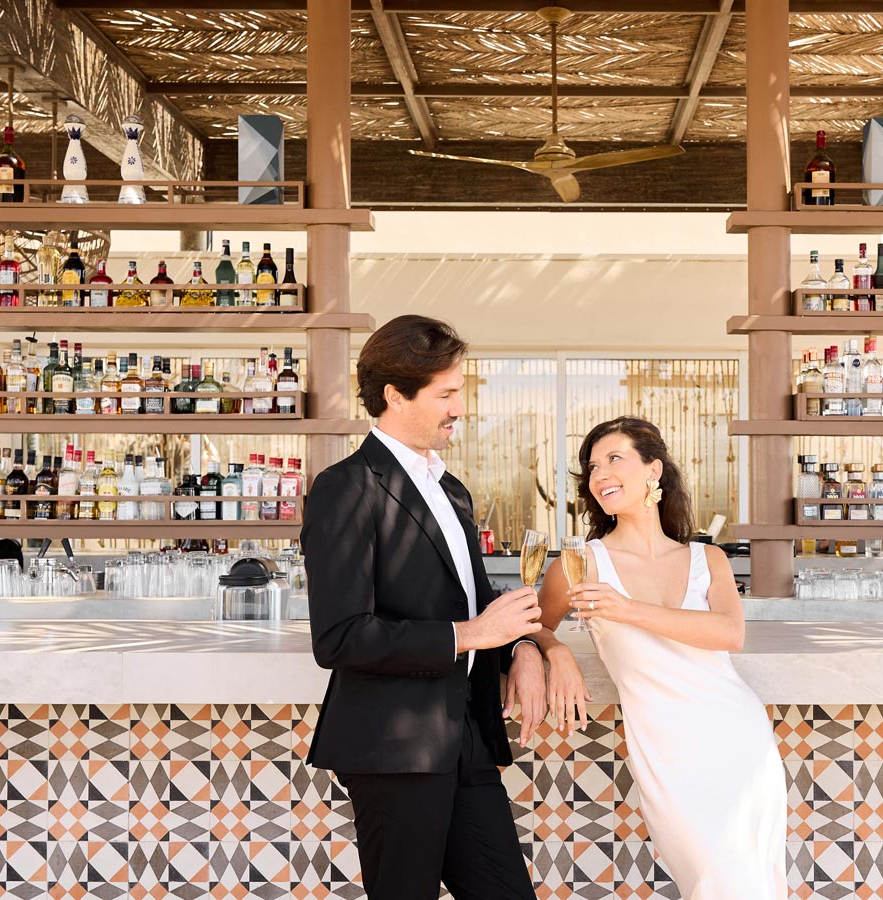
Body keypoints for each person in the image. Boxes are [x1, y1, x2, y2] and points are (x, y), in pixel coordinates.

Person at [301, 314, 547, 900]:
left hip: (464, 737)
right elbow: (340, 637)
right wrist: (470, 636)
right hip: (395, 746)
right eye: (445, 394)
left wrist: (527, 646)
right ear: (394, 394)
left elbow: (479, 600)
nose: (458, 407)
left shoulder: (451, 488)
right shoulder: (346, 487)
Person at [536, 416, 787, 900]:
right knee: (715, 880)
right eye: (592, 467)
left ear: (654, 470)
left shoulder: (706, 559)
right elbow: (533, 626)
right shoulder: (581, 563)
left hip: (737, 738)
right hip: (666, 749)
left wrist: (628, 610)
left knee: (750, 882)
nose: (600, 474)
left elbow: (729, 633)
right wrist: (557, 650)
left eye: (615, 459)